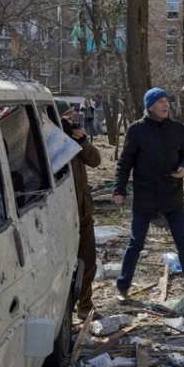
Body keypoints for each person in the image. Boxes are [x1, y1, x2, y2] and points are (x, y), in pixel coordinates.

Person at [112, 87, 184, 302]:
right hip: (145, 195)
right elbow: (125, 164)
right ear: (150, 106)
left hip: (172, 195)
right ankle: (122, 287)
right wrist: (119, 189)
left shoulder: (177, 129)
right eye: (160, 101)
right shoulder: (136, 130)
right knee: (136, 243)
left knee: (183, 243)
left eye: (166, 100)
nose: (165, 104)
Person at [61, 103, 102, 319]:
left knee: (87, 260)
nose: (72, 122)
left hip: (83, 210)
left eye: (73, 118)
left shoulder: (76, 141)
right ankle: (63, 310)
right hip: (59, 215)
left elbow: (95, 160)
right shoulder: (47, 139)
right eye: (67, 119)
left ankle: (85, 306)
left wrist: (82, 140)